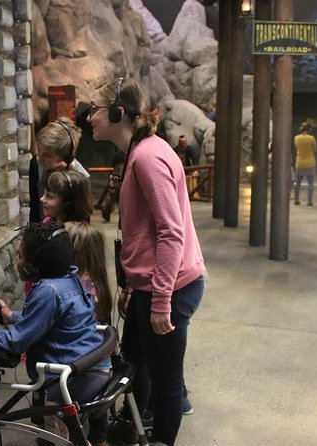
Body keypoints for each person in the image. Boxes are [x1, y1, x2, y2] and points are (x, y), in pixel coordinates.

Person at [87, 77, 206, 446]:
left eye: (95, 108)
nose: (89, 116)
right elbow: (142, 233)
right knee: (134, 366)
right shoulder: (141, 151)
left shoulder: (148, 157)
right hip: (150, 285)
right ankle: (134, 429)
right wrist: (132, 287)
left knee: (167, 382)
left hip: (170, 288)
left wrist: (159, 300)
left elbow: (171, 233)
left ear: (118, 112)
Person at [0, 222, 111, 446]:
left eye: (19, 256)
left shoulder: (47, 291)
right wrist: (12, 318)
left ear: (31, 268)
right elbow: (51, 320)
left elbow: (16, 341)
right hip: (97, 369)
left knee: (53, 440)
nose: (17, 260)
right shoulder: (70, 278)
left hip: (73, 380)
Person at [29, 117, 90, 222]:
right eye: (39, 149)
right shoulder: (36, 163)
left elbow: (83, 218)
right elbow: (34, 206)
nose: (40, 157)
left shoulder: (79, 176)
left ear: (65, 157)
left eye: (48, 155)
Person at [293, 122, 317, 206]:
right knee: (311, 183)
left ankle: (296, 200)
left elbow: (297, 148)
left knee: (298, 183)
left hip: (300, 162)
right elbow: (315, 149)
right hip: (310, 163)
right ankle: (309, 201)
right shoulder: (311, 138)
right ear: (309, 129)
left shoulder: (296, 138)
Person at [101, 150, 126, 222]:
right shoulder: (120, 159)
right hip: (118, 179)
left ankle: (107, 210)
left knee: (115, 196)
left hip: (118, 178)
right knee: (115, 195)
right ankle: (107, 210)